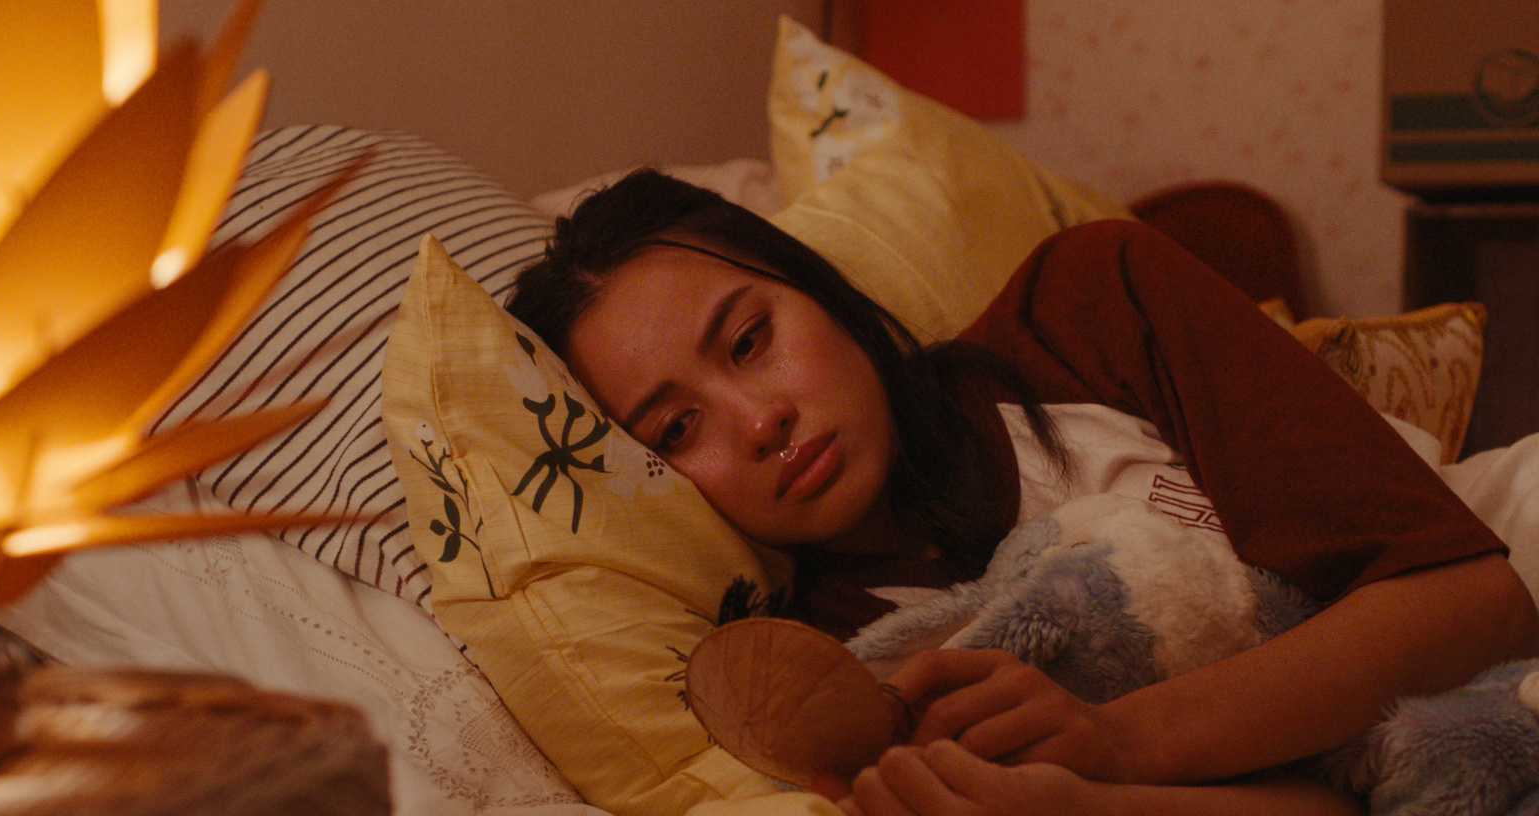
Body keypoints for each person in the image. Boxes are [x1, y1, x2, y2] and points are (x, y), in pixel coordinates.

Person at [503, 169, 1539, 815]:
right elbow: (1341, 801)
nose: (759, 420)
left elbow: (1473, 597)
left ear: (816, 291)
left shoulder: (1088, 302)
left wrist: (1122, 738)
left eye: (749, 340)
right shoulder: (854, 672)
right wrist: (1093, 798)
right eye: (677, 431)